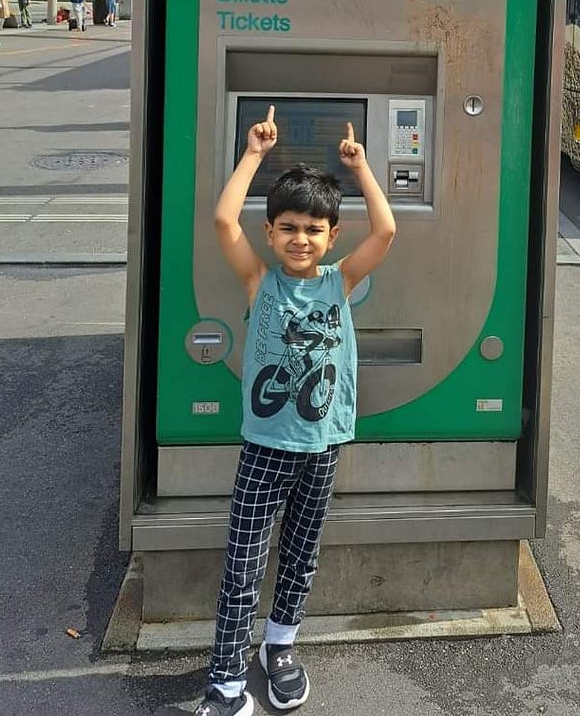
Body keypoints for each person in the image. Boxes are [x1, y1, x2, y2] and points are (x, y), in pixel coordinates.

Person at [195, 108, 396, 716]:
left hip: (324, 446)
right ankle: (226, 680)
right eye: (288, 227)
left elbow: (385, 233)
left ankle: (279, 646)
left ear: (331, 237)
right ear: (271, 232)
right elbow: (224, 218)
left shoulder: (340, 281)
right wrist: (255, 154)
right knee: (243, 561)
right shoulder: (260, 282)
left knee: (302, 553)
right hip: (264, 447)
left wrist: (360, 169)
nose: (301, 238)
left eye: (313, 229)